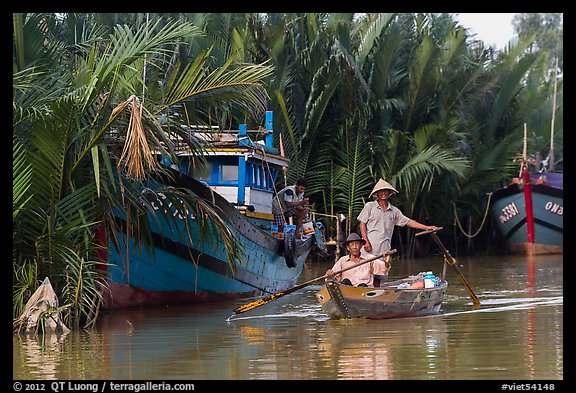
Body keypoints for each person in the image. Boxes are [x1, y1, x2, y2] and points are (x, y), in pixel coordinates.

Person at [358, 178, 438, 257]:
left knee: (382, 269)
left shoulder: (394, 211)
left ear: (389, 193)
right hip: (368, 249)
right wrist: (365, 242)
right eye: (381, 191)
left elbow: (408, 222)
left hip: (384, 251)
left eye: (385, 191)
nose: (383, 193)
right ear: (377, 193)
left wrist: (426, 227)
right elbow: (362, 224)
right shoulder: (370, 206)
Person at [325, 233, 390, 287]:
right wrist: (330, 274)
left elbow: (383, 270)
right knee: (345, 281)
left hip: (364, 291)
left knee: (362, 286)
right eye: (352, 244)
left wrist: (386, 262)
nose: (354, 247)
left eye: (357, 244)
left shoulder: (369, 259)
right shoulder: (342, 260)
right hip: (347, 291)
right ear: (348, 248)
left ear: (361, 246)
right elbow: (332, 278)